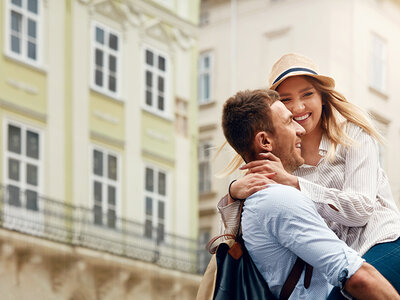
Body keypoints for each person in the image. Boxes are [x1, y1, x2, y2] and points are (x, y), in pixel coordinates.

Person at [221, 53, 400, 294]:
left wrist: (295, 183)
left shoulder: (352, 136)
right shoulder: (283, 160)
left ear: (322, 98)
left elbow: (361, 211)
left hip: (382, 243)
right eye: (286, 100)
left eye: (307, 94)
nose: (298, 107)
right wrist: (233, 193)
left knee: (356, 287)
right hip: (346, 266)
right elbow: (249, 229)